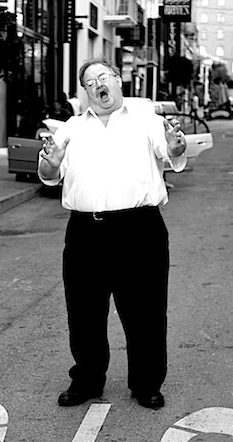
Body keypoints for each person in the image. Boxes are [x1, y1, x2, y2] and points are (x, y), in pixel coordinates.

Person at [38, 58, 188, 409]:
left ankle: (146, 383)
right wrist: (51, 161)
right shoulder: (71, 128)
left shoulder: (147, 122)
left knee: (146, 313)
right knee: (84, 312)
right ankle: (88, 380)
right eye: (90, 82)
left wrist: (176, 146)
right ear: (86, 92)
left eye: (103, 77)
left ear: (119, 81)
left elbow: (171, 152)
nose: (98, 85)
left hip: (140, 230)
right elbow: (48, 172)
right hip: (85, 231)